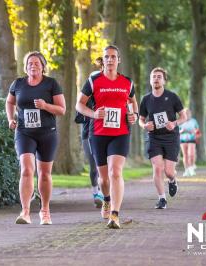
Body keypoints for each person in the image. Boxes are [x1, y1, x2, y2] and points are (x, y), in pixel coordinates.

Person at [75, 45, 138, 229]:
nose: (110, 60)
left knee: (115, 172)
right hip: (98, 133)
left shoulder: (127, 82)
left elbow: (133, 102)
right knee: (103, 179)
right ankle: (107, 200)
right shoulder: (94, 80)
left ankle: (115, 214)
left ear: (119, 60)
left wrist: (133, 114)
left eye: (113, 57)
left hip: (120, 133)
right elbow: (79, 105)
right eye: (106, 57)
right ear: (102, 60)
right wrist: (94, 114)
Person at [6, 51, 66, 225]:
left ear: (43, 66)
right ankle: (25, 211)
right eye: (30, 63)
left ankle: (45, 211)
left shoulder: (51, 84)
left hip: (47, 133)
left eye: (36, 63)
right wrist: (11, 118)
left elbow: (62, 110)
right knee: (26, 169)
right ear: (25, 67)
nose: (33, 66)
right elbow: (9, 102)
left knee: (45, 174)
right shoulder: (18, 83)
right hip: (25, 132)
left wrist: (45, 105)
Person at [138, 67, 187, 209]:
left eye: (159, 76)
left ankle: (172, 180)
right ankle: (162, 199)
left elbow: (183, 117)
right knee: (158, 168)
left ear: (164, 80)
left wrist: (174, 123)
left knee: (169, 171)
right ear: (150, 80)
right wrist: (145, 126)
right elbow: (140, 119)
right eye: (154, 76)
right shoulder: (146, 99)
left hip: (171, 137)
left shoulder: (172, 97)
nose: (156, 79)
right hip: (154, 138)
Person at [75, 57, 105, 208]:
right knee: (94, 165)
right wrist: (92, 112)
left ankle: (106, 193)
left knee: (106, 165)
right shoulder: (86, 92)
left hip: (107, 132)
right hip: (88, 132)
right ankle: (96, 193)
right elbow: (78, 112)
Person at [179, 109, 200, 176]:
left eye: (188, 113)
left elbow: (197, 131)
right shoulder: (180, 121)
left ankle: (191, 168)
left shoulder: (194, 121)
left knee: (191, 154)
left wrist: (194, 131)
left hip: (191, 139)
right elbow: (177, 132)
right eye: (186, 113)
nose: (187, 114)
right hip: (183, 139)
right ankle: (186, 170)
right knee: (185, 155)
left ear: (190, 114)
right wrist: (181, 131)